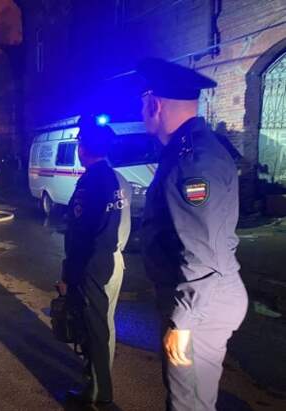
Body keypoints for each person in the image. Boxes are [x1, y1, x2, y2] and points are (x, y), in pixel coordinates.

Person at [138, 58, 248, 411]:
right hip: (203, 295)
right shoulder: (192, 149)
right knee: (194, 399)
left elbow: (202, 252)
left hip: (201, 301)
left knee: (188, 404)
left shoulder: (192, 161)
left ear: (154, 104)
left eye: (142, 102)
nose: (141, 111)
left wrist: (183, 320)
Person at [58, 121, 131, 405]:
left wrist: (70, 275)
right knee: (103, 326)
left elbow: (82, 236)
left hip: (94, 265)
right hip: (112, 261)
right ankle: (97, 383)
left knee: (94, 329)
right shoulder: (116, 178)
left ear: (83, 149)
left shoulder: (91, 182)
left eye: (79, 144)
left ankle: (98, 392)